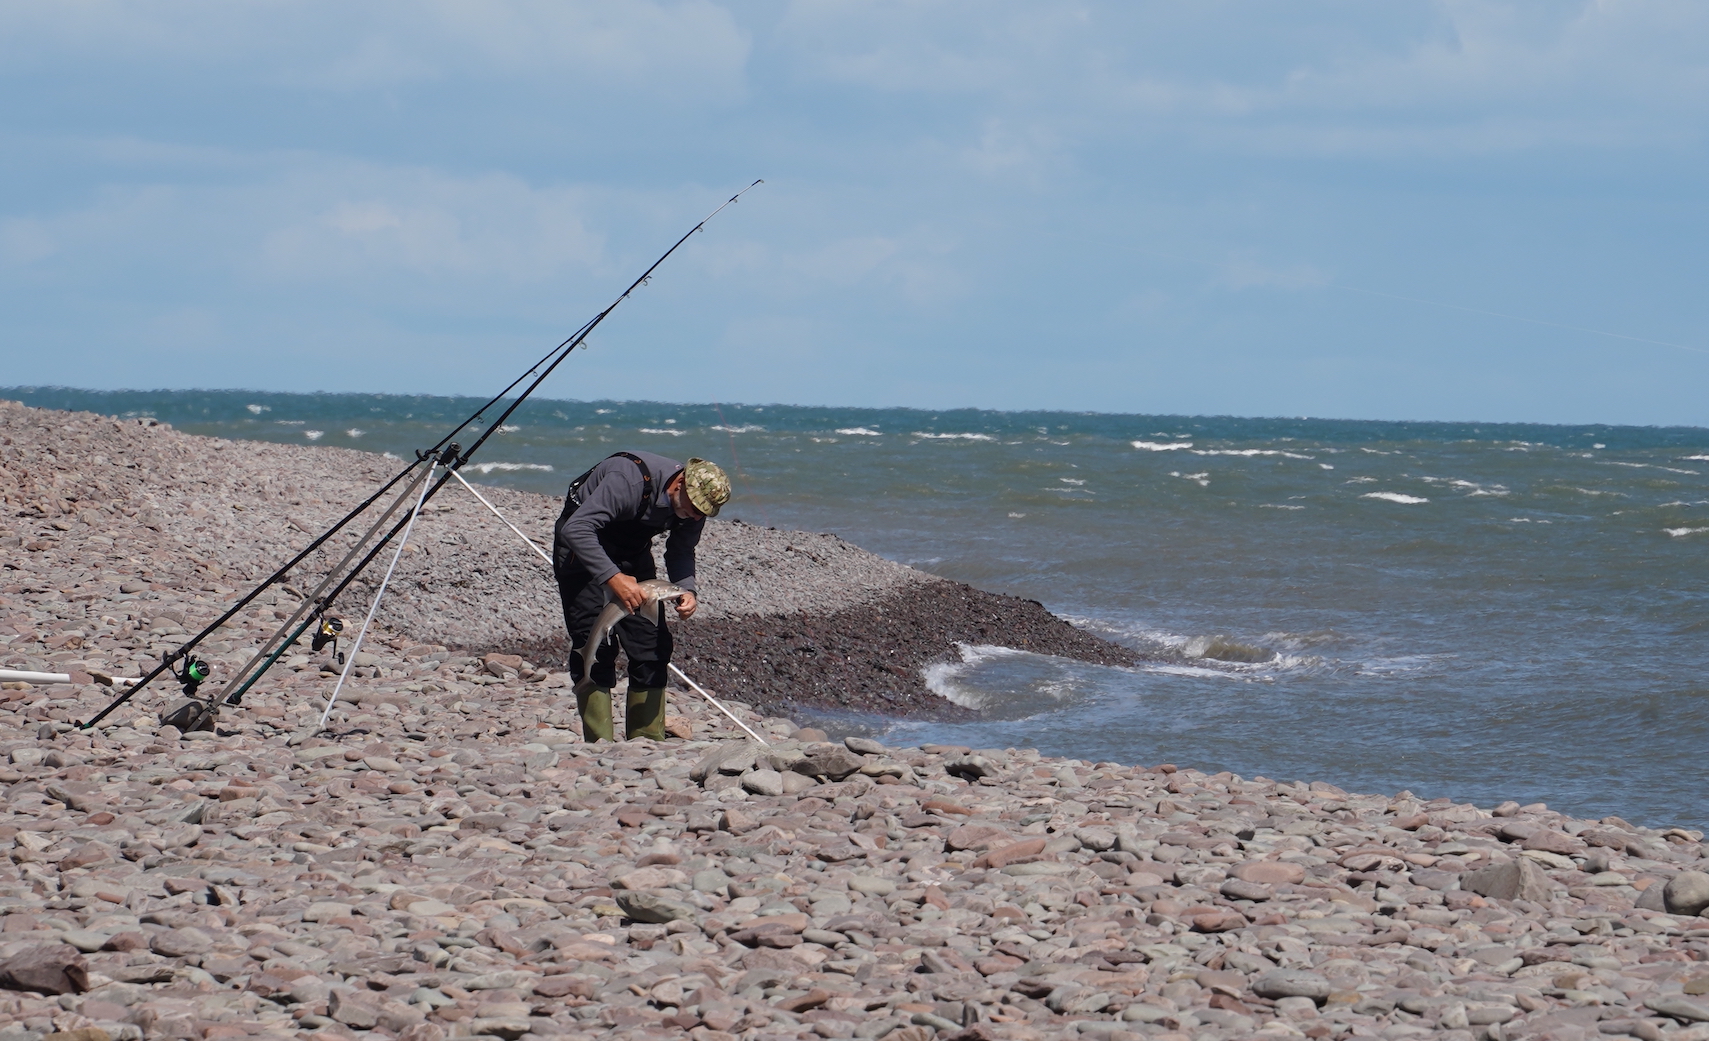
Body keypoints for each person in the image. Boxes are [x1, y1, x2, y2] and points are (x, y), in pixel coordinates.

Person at [551, 451, 730, 741]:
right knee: (594, 642)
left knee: (651, 644)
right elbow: (577, 528)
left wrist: (687, 589)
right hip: (581, 549)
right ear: (680, 482)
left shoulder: (694, 508)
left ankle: (646, 740)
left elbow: (681, 550)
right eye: (694, 507)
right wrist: (613, 578)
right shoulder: (627, 481)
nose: (696, 516)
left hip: (632, 554)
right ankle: (599, 742)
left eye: (703, 512)